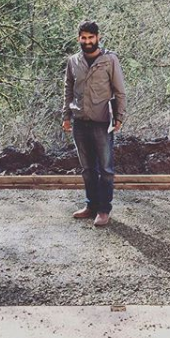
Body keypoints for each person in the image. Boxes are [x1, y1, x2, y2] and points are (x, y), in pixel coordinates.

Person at [62, 20, 127, 227]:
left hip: (102, 122)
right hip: (80, 122)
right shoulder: (73, 61)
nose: (87, 41)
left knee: (106, 169)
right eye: (84, 38)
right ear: (78, 38)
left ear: (97, 37)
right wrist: (66, 116)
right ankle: (90, 206)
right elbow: (68, 89)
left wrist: (119, 117)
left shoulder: (110, 60)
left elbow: (120, 91)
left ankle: (104, 210)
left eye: (91, 37)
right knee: (87, 169)